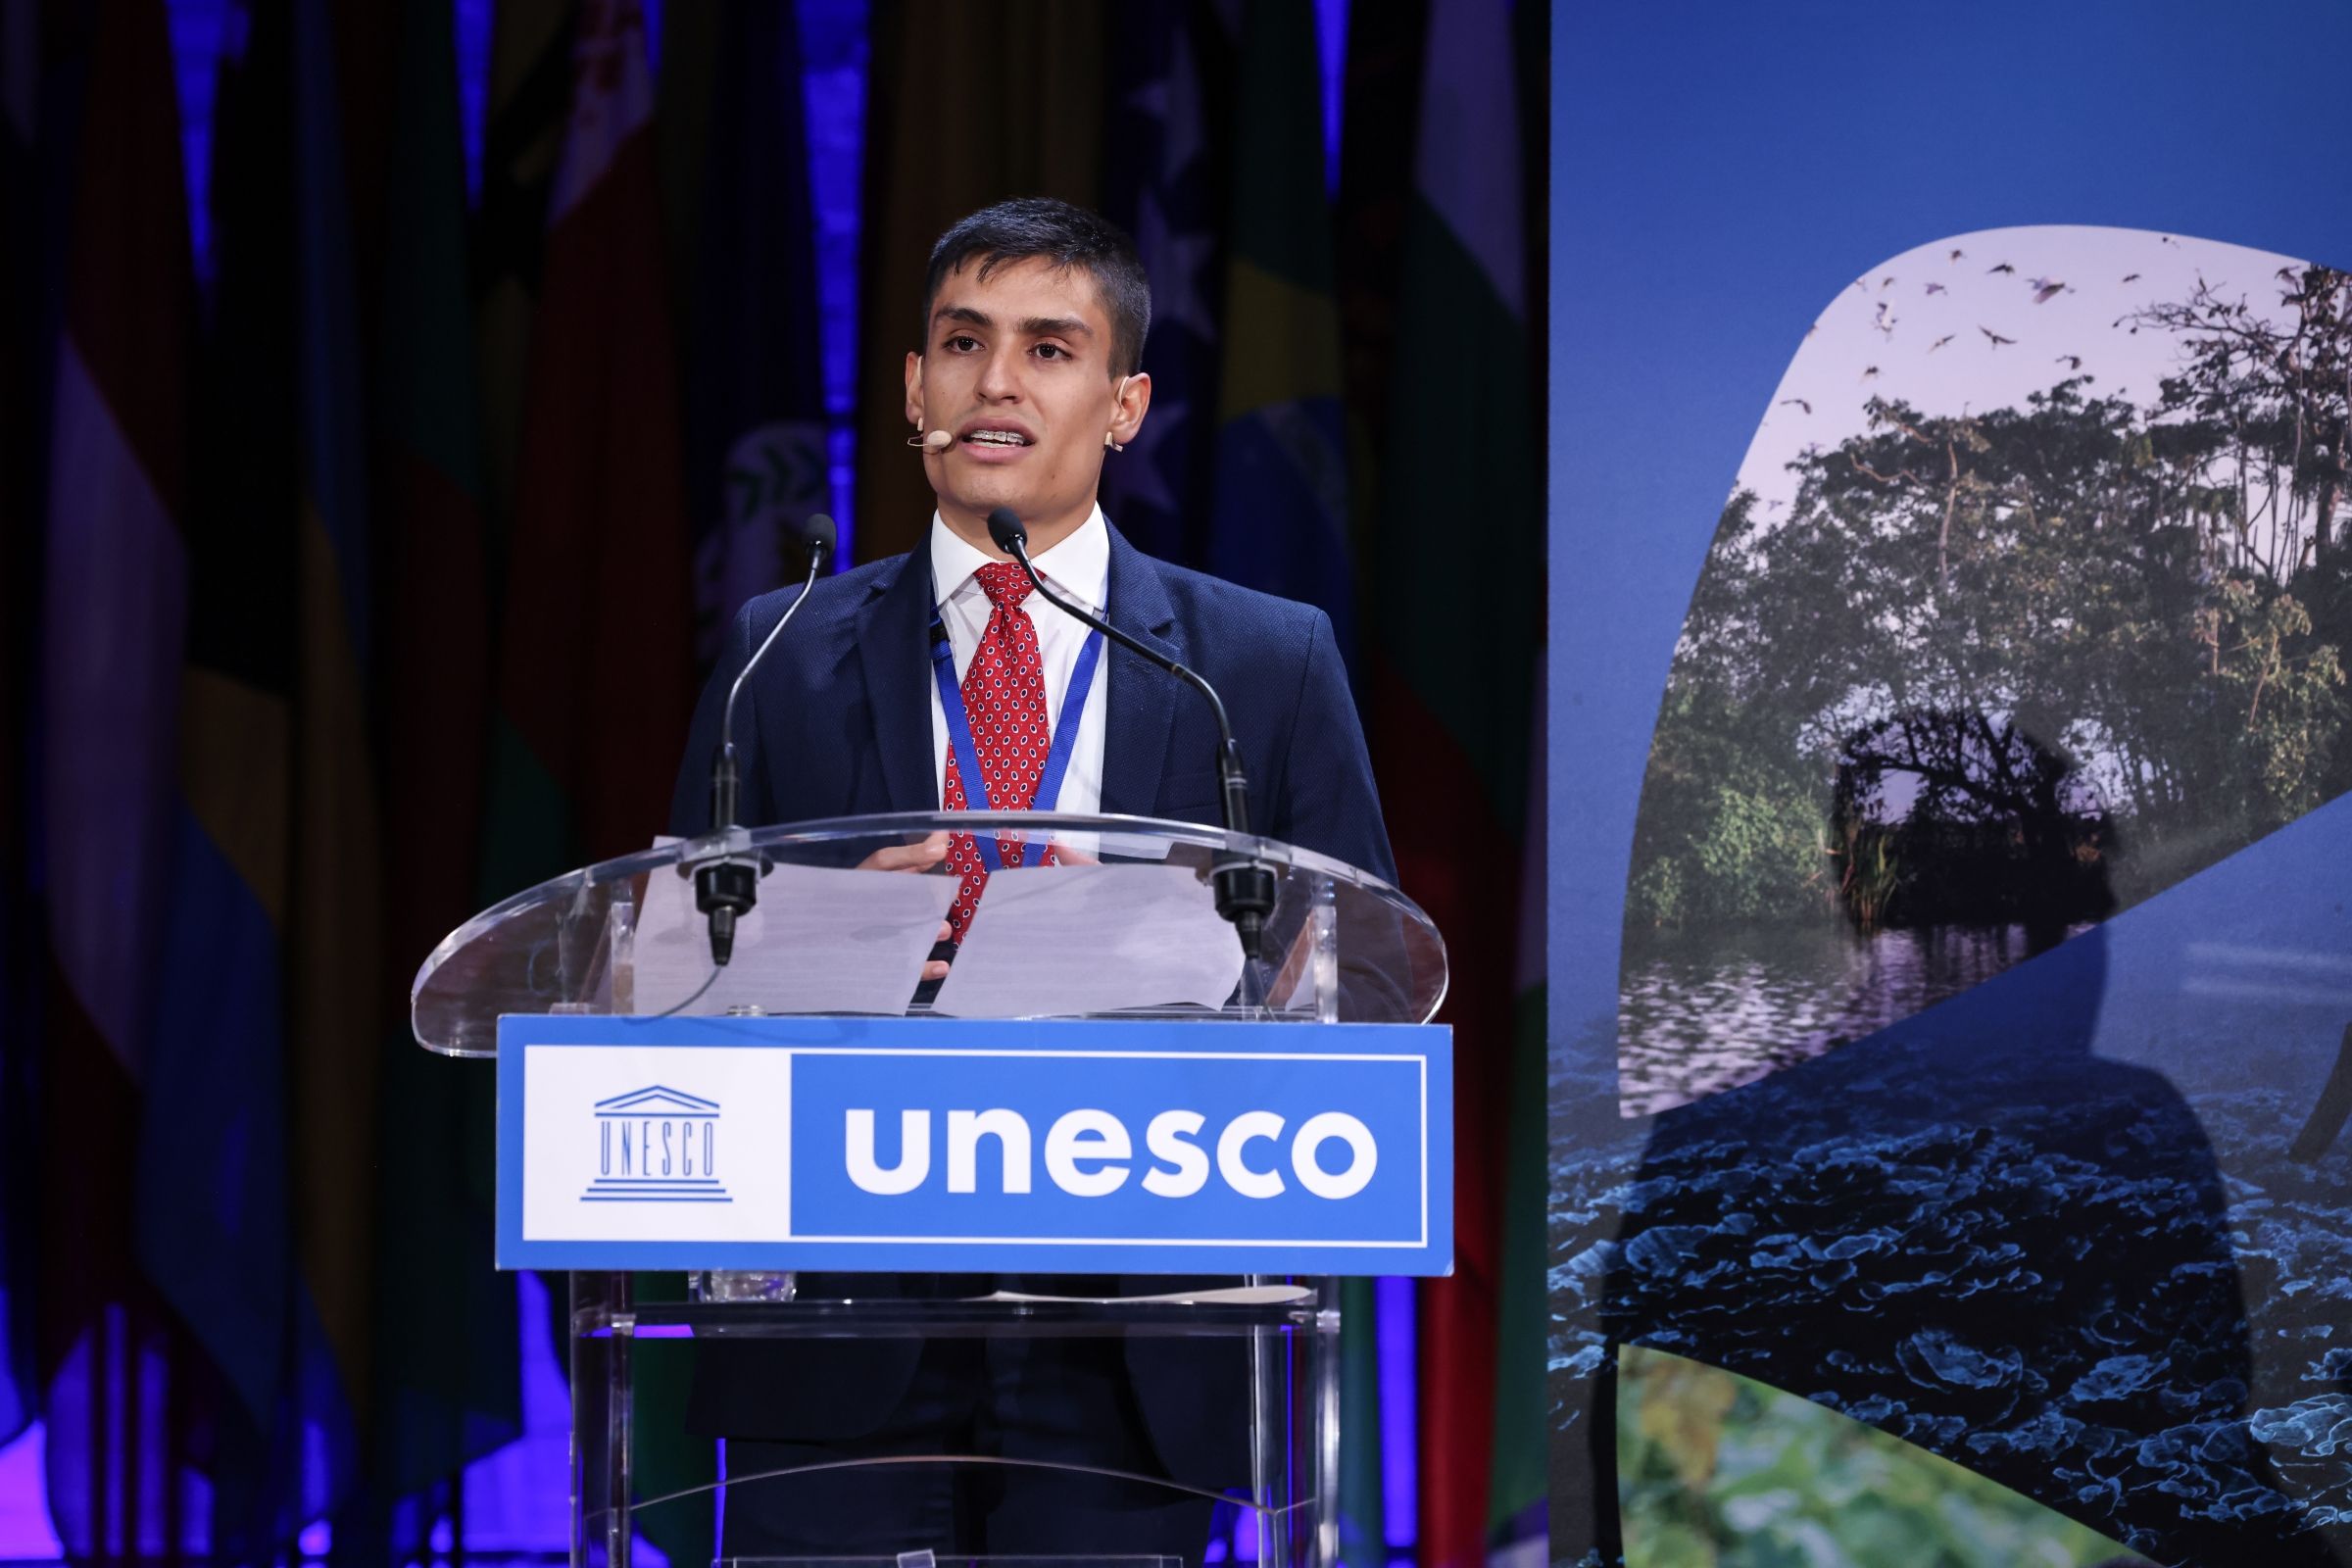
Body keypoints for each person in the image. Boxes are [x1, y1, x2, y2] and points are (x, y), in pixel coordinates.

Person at [666, 198, 1396, 1558]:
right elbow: (662, 972)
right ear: (912, 387)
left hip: (1137, 1333)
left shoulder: (1257, 663)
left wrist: (1158, 948)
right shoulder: (780, 653)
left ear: (1124, 405)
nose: (996, 383)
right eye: (962, 342)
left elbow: (1357, 979)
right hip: (837, 1319)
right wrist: (835, 937)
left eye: (1049, 349)